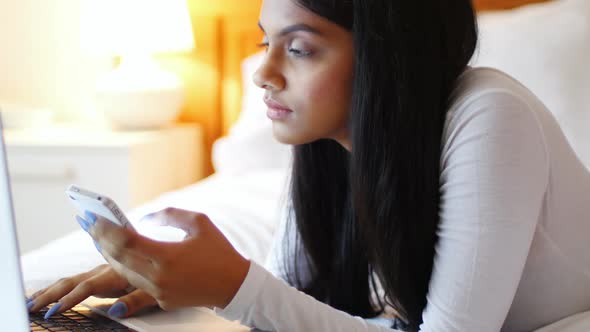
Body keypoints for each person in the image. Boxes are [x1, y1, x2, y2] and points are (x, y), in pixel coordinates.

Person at [27, 0, 590, 331]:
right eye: (265, 41)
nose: (262, 72)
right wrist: (187, 280)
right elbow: (300, 297)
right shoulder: (326, 138)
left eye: (298, 48)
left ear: (385, 54)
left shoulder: (491, 115)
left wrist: (233, 286)